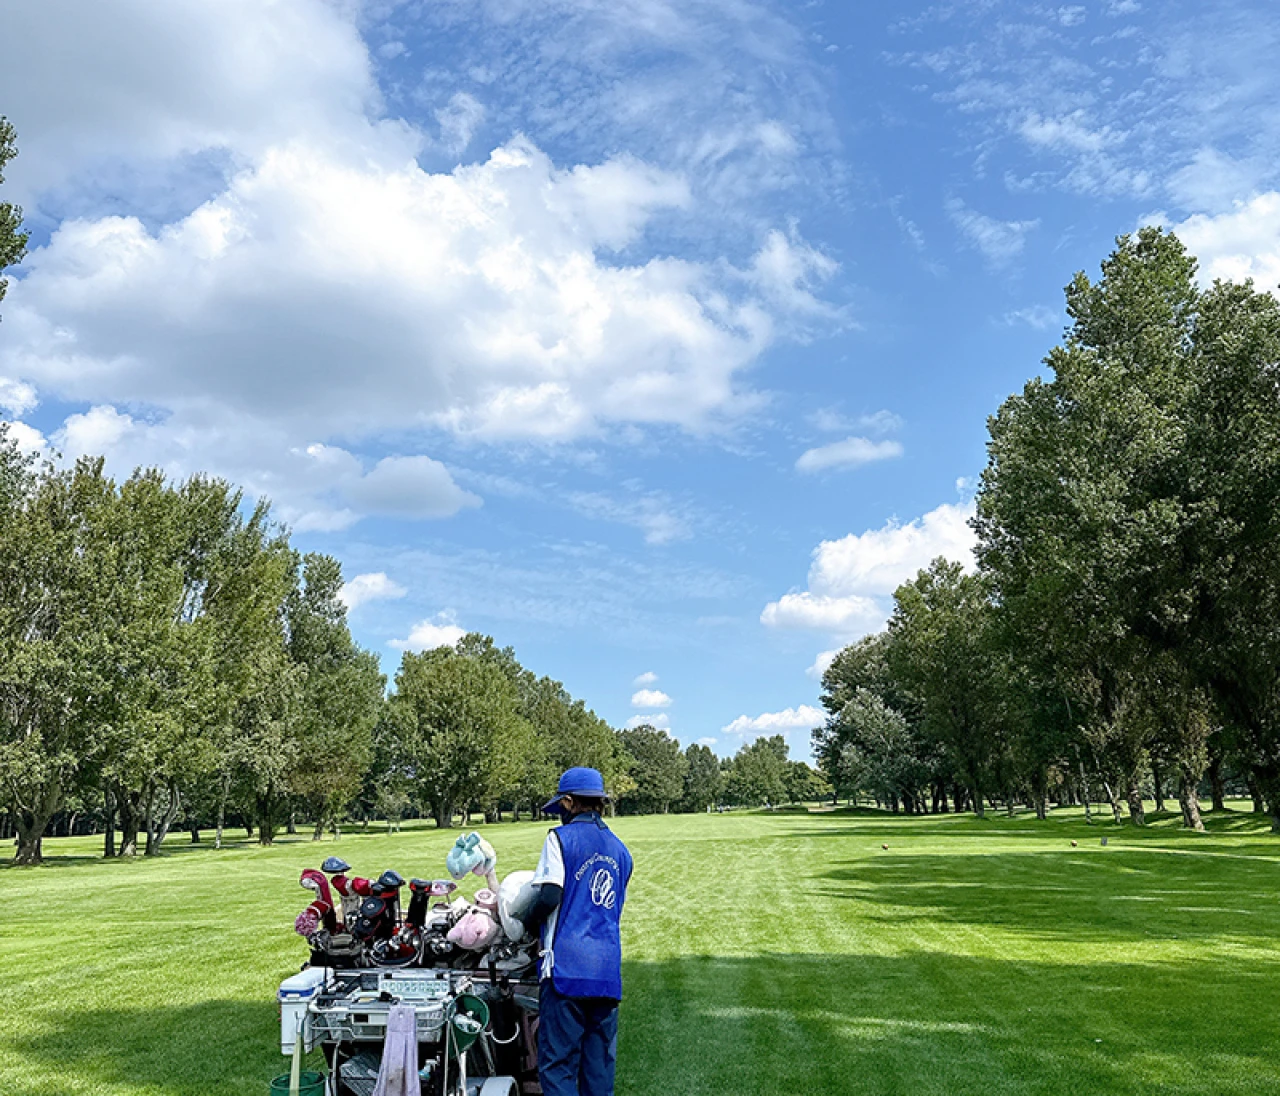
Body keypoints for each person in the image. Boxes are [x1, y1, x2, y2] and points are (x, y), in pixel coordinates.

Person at [519, 767, 633, 1096]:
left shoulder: (560, 839)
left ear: (569, 802)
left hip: (566, 969)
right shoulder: (621, 850)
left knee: (558, 1066)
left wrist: (525, 921)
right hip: (607, 970)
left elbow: (550, 894)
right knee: (598, 1069)